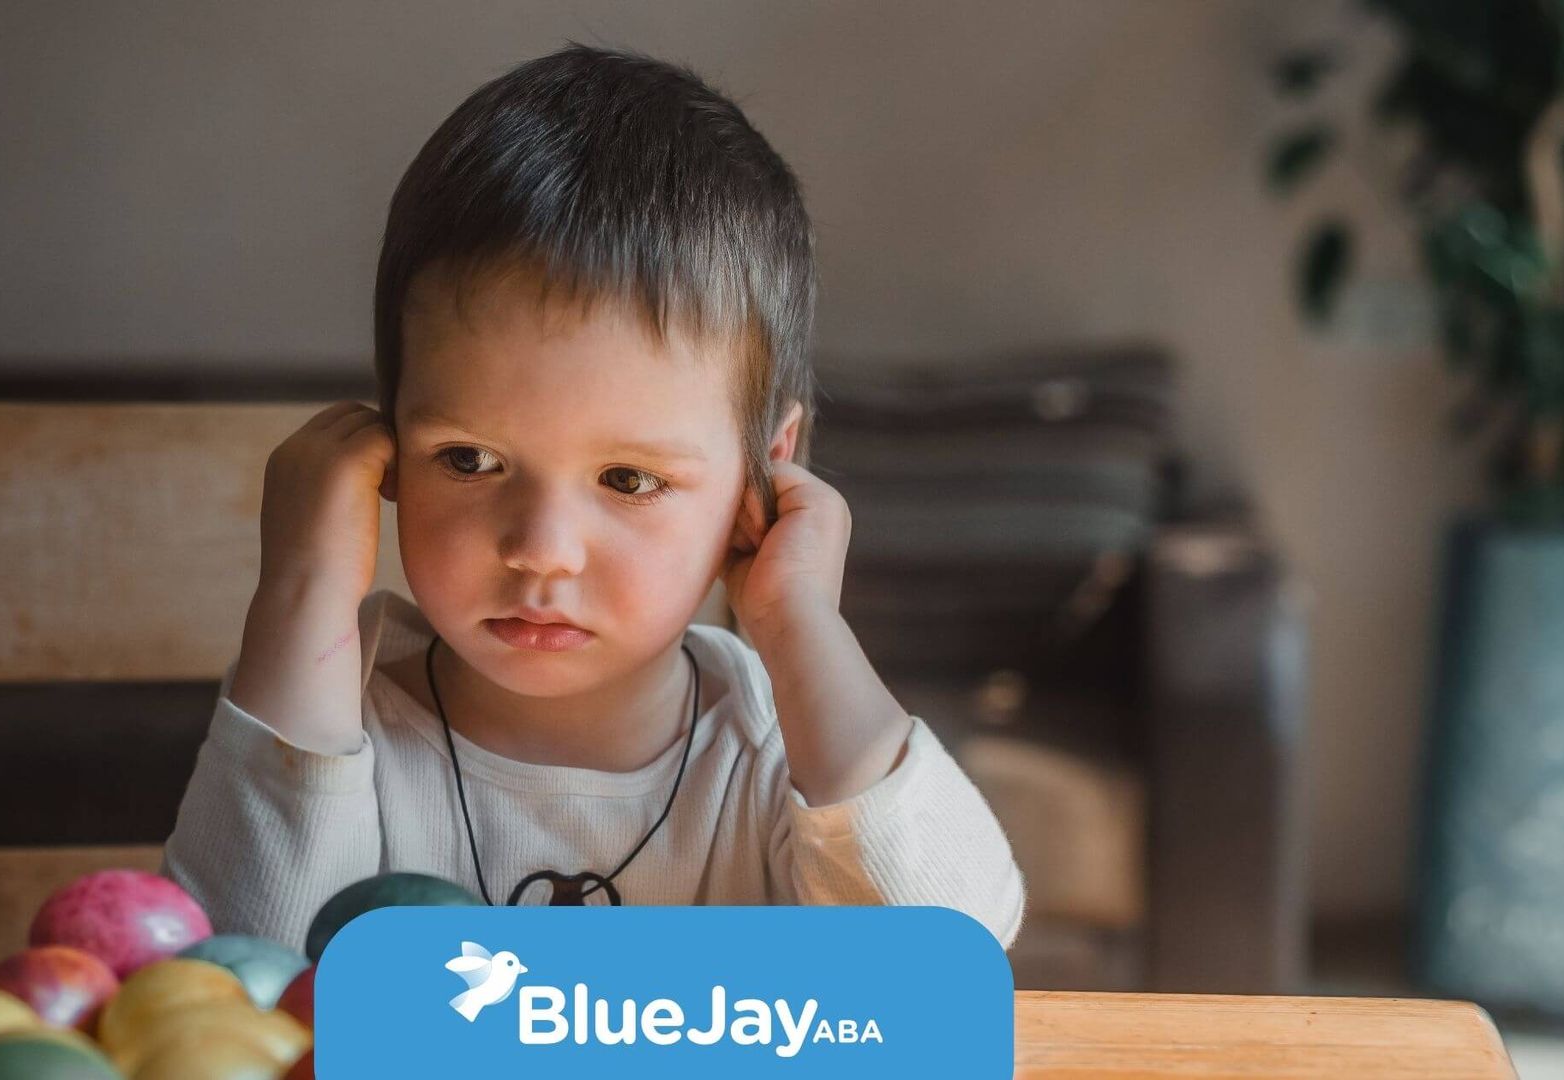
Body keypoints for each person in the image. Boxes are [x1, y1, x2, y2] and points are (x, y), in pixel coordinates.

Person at [161, 41, 1025, 947]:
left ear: (761, 475)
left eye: (629, 479)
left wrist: (798, 620)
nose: (541, 549)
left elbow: (955, 949)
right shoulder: (329, 717)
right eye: (469, 460)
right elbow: (240, 980)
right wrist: (304, 587)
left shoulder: (783, 745)